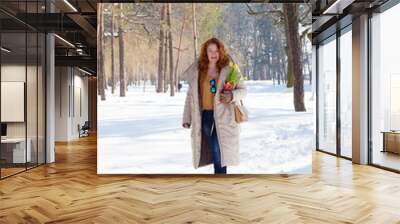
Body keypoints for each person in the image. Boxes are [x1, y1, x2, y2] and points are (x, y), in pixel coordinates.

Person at [182, 37, 247, 174]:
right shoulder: (199, 70)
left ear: (221, 52)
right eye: (210, 50)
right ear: (205, 52)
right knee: (212, 147)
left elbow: (243, 90)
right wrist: (186, 118)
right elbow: (190, 96)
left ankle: (220, 177)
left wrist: (232, 96)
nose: (213, 54)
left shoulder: (229, 69)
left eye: (216, 51)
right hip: (205, 115)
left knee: (218, 146)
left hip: (225, 115)